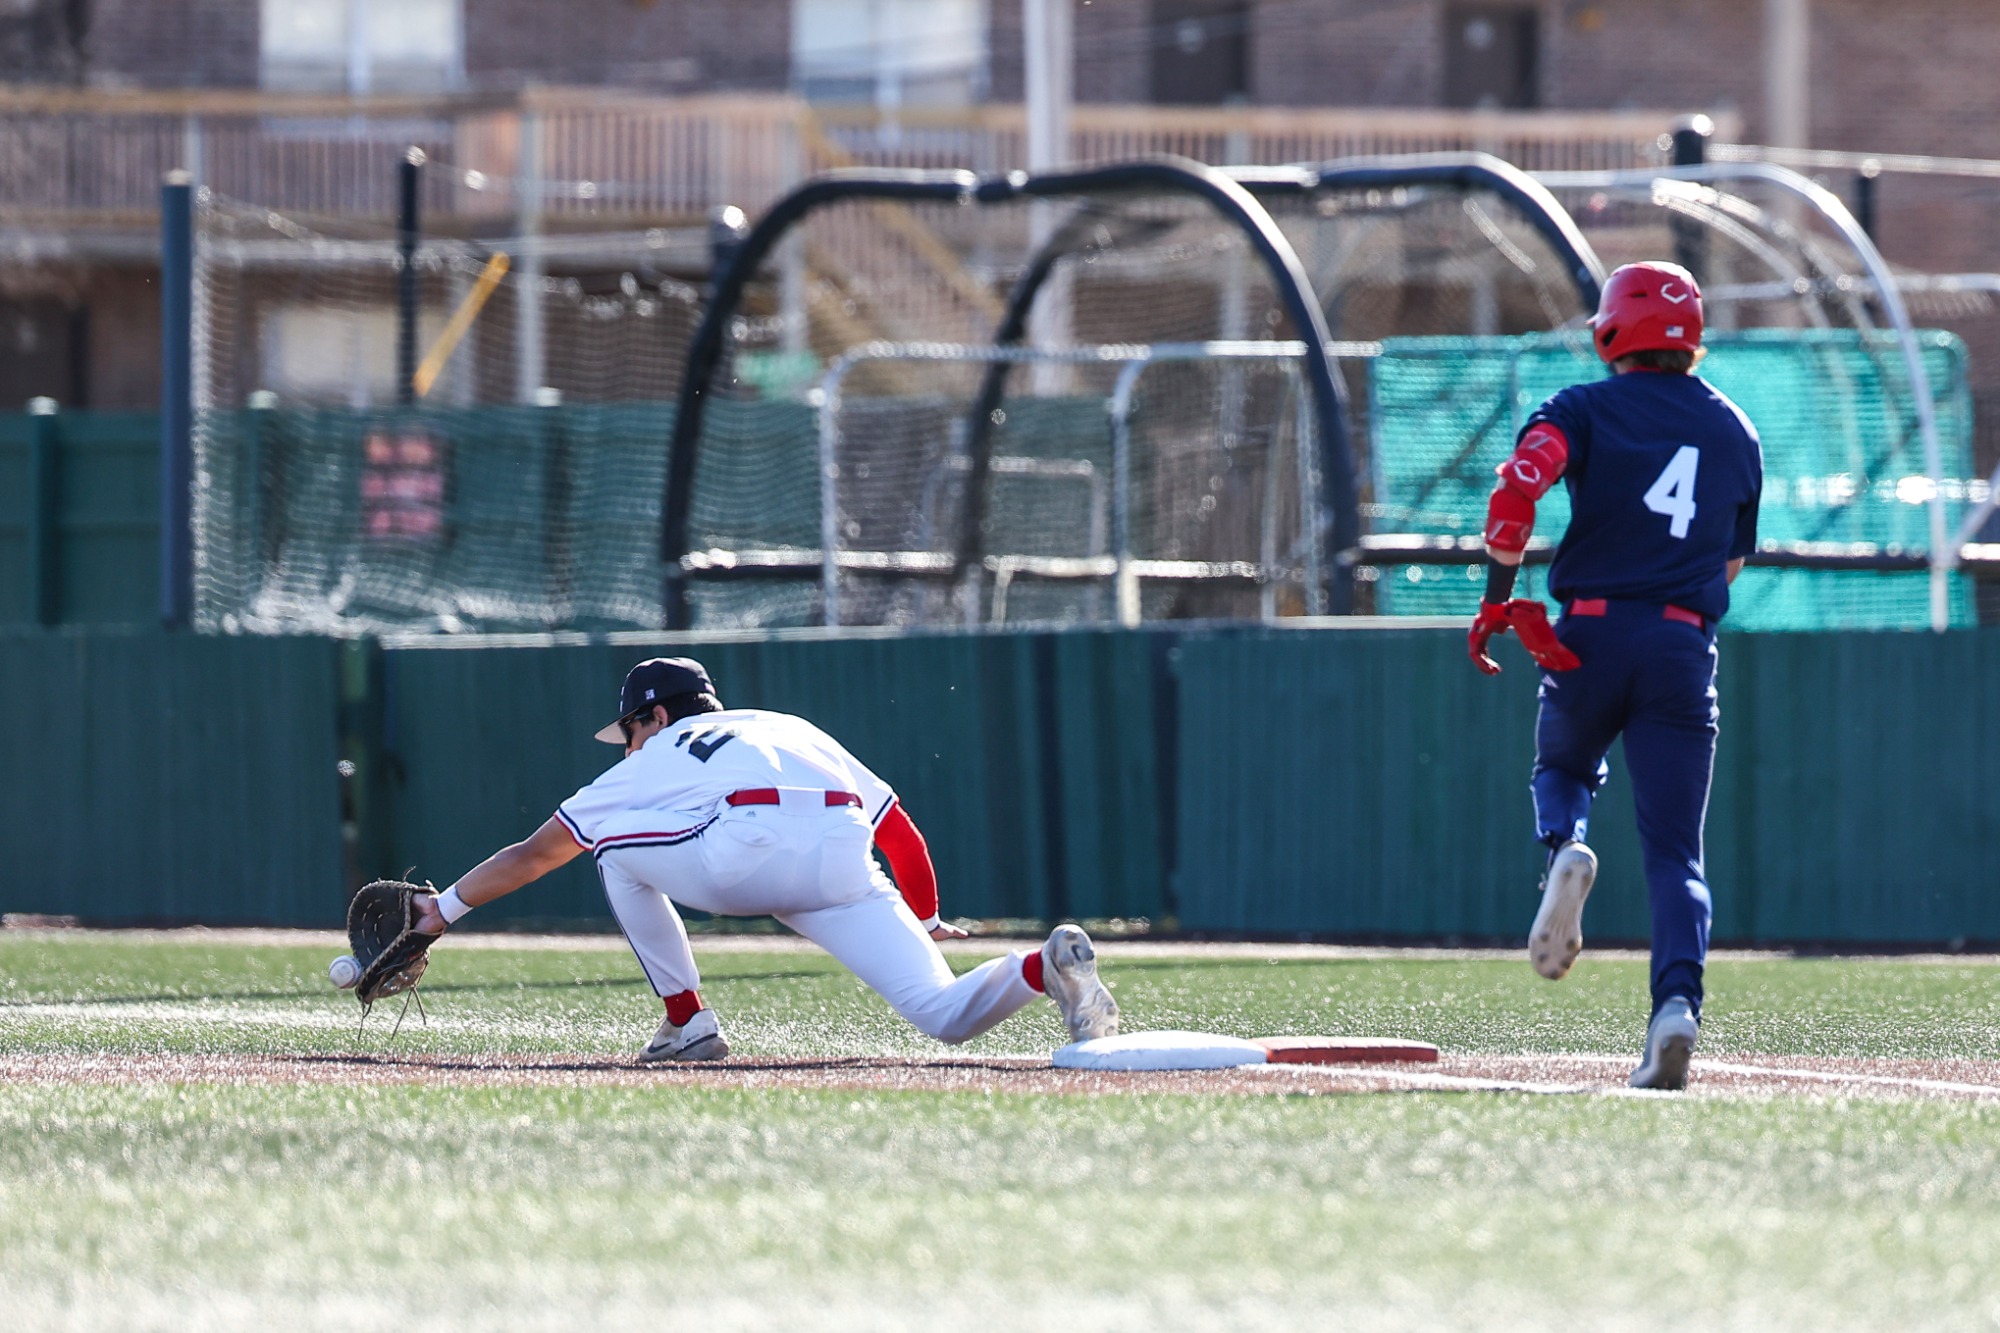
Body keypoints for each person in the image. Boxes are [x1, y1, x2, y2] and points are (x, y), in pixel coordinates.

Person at [410, 656, 1120, 1061]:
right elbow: (899, 831)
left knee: (611, 849)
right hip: (844, 852)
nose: (627, 743)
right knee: (944, 1014)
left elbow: (537, 853)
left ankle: (688, 1020)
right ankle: (1042, 966)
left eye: (628, 728)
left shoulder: (662, 748)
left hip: (744, 842)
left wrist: (441, 910)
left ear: (655, 716)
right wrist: (926, 916)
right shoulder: (790, 724)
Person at [1467, 261, 1762, 1091]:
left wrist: (1497, 598)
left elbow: (1517, 494)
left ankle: (1566, 845)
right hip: (1680, 646)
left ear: (1610, 330)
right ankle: (1675, 1009)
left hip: (1588, 634)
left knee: (1562, 767)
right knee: (1677, 854)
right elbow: (1730, 564)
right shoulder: (1737, 429)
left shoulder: (1581, 408)